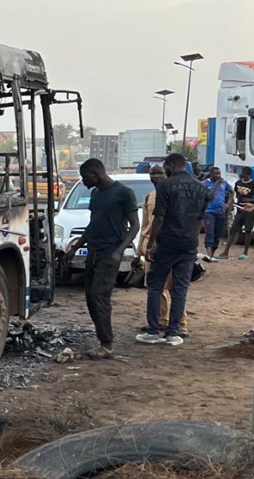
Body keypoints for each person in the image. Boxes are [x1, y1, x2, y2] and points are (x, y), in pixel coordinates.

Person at [66, 158, 140, 358]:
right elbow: (93, 225)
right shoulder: (96, 194)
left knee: (100, 296)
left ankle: (107, 345)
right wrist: (76, 248)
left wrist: (119, 251)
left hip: (110, 252)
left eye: (84, 177)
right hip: (94, 251)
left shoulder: (124, 193)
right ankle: (103, 339)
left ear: (95, 174)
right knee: (91, 296)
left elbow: (134, 225)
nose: (83, 181)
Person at [138, 153, 208, 346]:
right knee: (180, 289)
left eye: (164, 168)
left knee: (155, 286)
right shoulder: (201, 188)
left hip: (167, 243)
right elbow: (199, 221)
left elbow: (159, 218)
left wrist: (151, 243)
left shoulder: (165, 187)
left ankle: (153, 331)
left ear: (170, 165)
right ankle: (173, 333)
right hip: (188, 244)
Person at [138, 164, 190, 337]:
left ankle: (180, 325)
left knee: (175, 287)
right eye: (153, 173)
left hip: (169, 246)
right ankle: (161, 321)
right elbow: (145, 226)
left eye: (160, 173)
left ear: (166, 174)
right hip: (150, 248)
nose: (157, 176)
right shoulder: (149, 198)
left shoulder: (175, 195)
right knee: (155, 288)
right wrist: (141, 251)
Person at [219, 166, 254, 260]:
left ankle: (245, 253)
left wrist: (250, 200)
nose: (242, 175)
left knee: (248, 231)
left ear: (248, 174)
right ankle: (225, 252)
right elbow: (235, 195)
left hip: (249, 210)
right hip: (239, 209)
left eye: (244, 173)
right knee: (233, 230)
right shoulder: (238, 183)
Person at [202, 166, 233, 260]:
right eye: (216, 173)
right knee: (210, 234)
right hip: (209, 212)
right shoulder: (205, 184)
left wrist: (227, 204)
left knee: (217, 235)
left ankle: (212, 253)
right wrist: (216, 185)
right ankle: (209, 255)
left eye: (219, 173)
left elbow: (232, 192)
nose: (218, 175)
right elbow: (209, 197)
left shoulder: (224, 183)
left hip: (220, 211)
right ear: (211, 174)